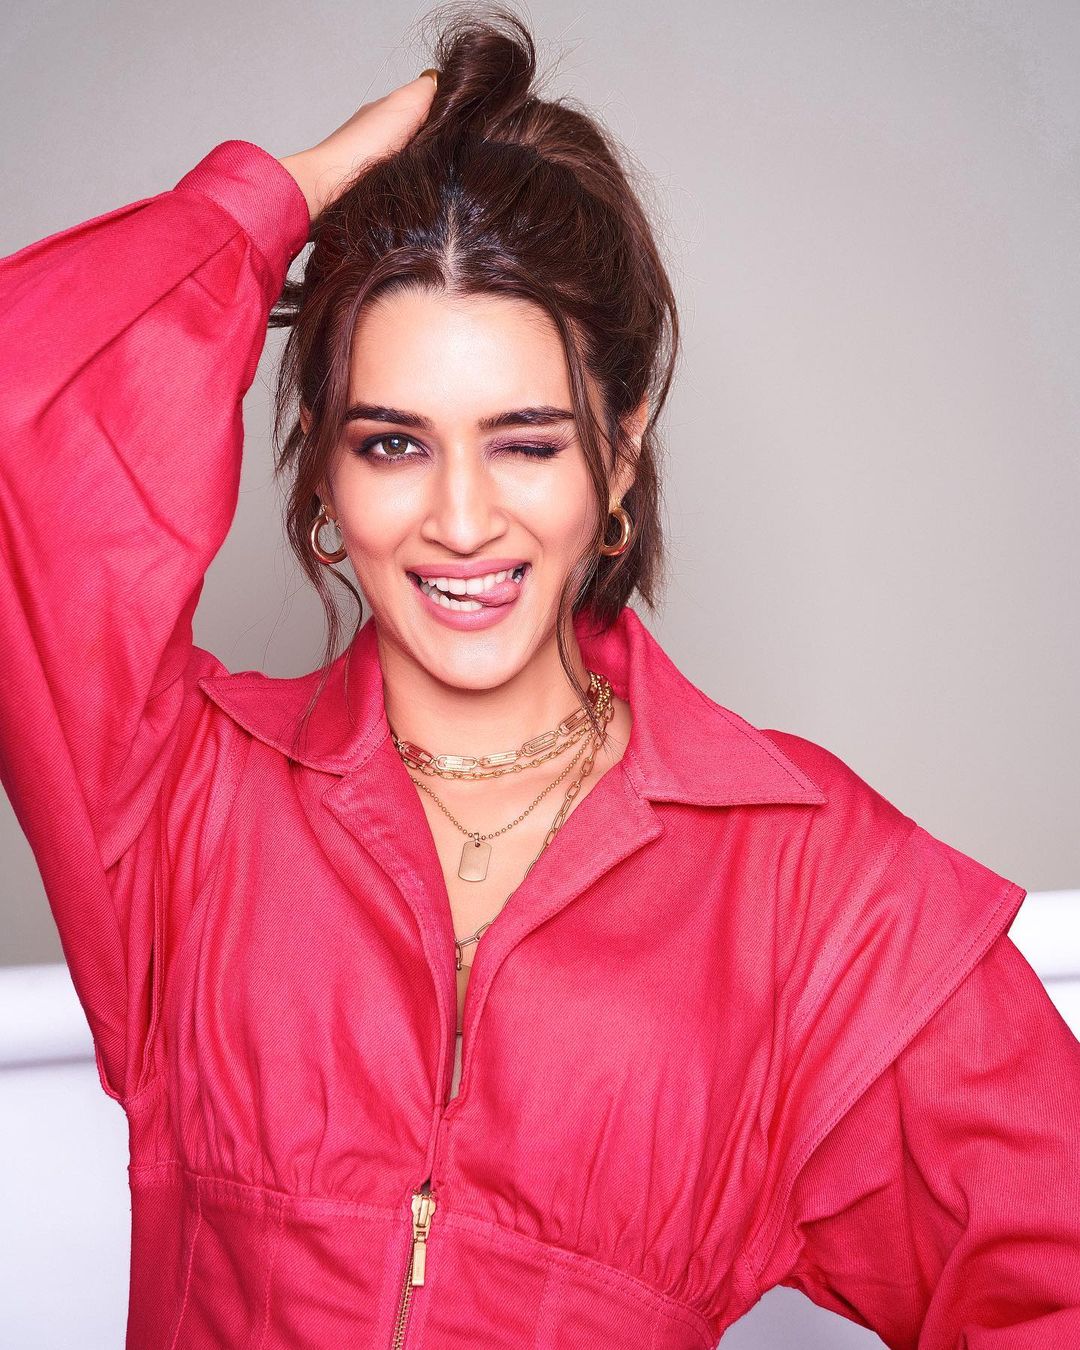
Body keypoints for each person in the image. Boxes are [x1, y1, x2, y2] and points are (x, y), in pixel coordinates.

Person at [1, 8, 1077, 1348]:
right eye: (393, 444)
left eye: (526, 443)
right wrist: (280, 197)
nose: (462, 521)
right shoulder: (183, 805)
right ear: (323, 469)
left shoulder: (808, 885)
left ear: (618, 456)